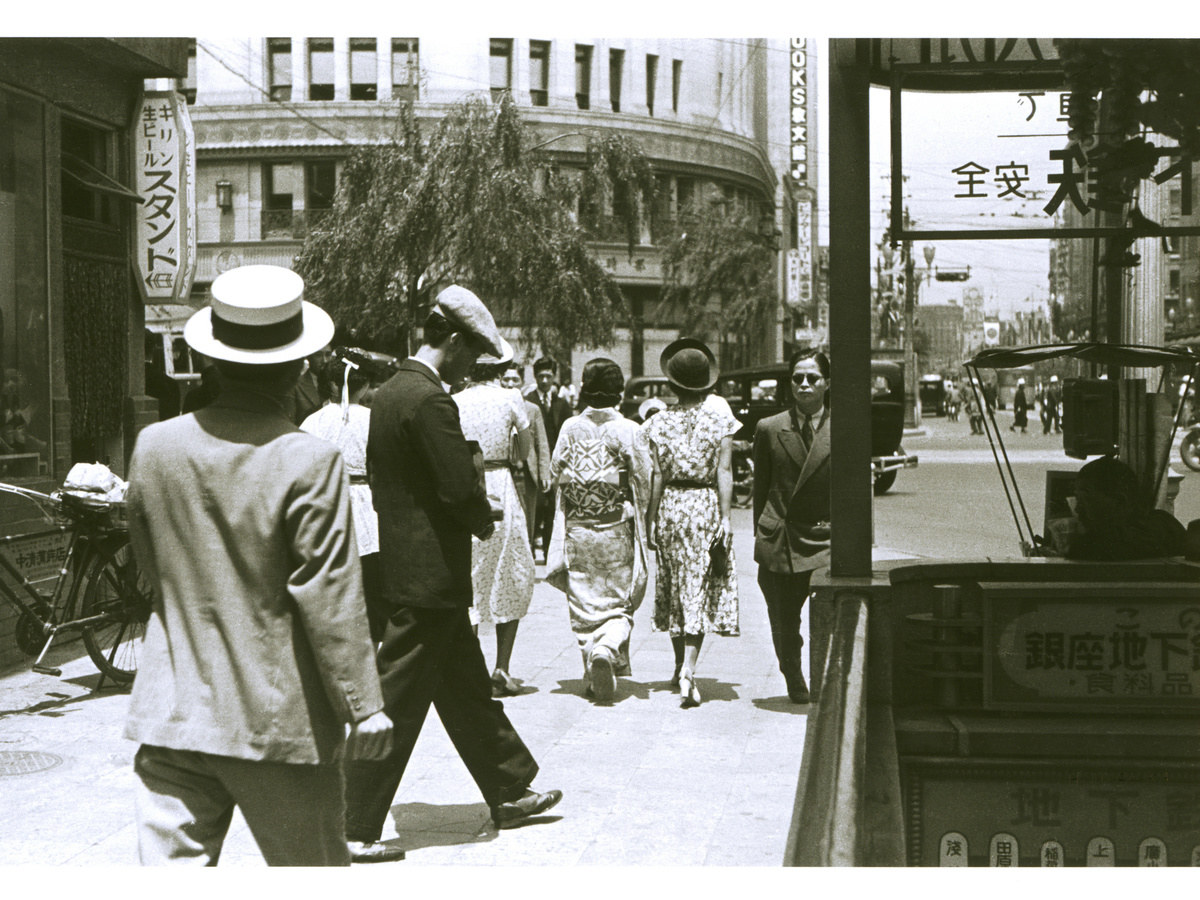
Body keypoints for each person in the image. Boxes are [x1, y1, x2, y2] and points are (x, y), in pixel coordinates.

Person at [123, 264, 393, 866]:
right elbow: (330, 595)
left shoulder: (154, 447)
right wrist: (363, 704)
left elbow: (152, 569)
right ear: (300, 367)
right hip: (278, 720)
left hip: (174, 713)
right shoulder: (309, 459)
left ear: (211, 361)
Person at [343, 285, 561, 863]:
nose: (472, 368)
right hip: (430, 575)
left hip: (404, 564)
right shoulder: (433, 402)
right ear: (457, 341)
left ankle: (509, 787)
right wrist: (480, 513)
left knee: (464, 685)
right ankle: (351, 819)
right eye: (473, 356)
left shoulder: (390, 393)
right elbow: (456, 486)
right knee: (395, 700)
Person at [545, 358, 652, 702]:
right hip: (615, 528)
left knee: (584, 600)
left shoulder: (570, 427)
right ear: (619, 390)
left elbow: (553, 472)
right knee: (617, 601)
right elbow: (644, 478)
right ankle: (606, 647)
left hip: (578, 528)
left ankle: (593, 664)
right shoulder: (630, 429)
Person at [642, 338, 740, 708]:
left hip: (670, 506)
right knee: (698, 584)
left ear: (672, 385)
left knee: (674, 583)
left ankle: (678, 664)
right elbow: (724, 471)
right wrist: (727, 518)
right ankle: (689, 670)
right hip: (704, 505)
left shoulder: (656, 423)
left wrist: (651, 519)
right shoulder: (721, 421)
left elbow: (656, 477)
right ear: (707, 383)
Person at [752, 349, 833, 705]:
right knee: (785, 623)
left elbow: (857, 491)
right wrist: (764, 533)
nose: (803, 385)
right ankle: (795, 679)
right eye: (797, 378)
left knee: (829, 620)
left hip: (824, 539)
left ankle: (827, 678)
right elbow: (760, 490)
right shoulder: (770, 429)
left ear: (827, 383)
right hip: (781, 540)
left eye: (812, 378)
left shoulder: (845, 428)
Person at [455, 341, 537, 696]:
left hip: (464, 484)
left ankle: (469, 668)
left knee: (469, 573)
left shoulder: (454, 400)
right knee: (510, 570)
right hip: (500, 483)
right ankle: (502, 667)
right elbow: (524, 450)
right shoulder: (510, 399)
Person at [300, 348, 388, 643]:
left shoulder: (312, 422)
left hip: (325, 505)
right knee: (371, 591)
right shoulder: (373, 419)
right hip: (367, 510)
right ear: (361, 385)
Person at [1062, 456, 1186, 560]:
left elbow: (1088, 547)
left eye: (1086, 500)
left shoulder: (1159, 527)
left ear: (1120, 501)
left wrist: (1070, 546)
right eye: (1077, 500)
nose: (1078, 509)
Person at [525, 357, 573, 561]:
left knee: (553, 509)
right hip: (534, 464)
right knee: (535, 507)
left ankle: (548, 552)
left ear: (554, 378)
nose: (545, 380)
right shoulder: (527, 402)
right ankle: (529, 550)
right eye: (541, 376)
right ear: (535, 377)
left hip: (558, 464)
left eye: (549, 376)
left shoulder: (562, 404)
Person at [501, 364, 551, 547]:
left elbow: (542, 444)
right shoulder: (495, 405)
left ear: (522, 382)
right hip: (503, 472)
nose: (510, 383)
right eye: (506, 379)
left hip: (525, 476)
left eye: (515, 379)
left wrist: (544, 473)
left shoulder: (532, 409)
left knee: (527, 521)